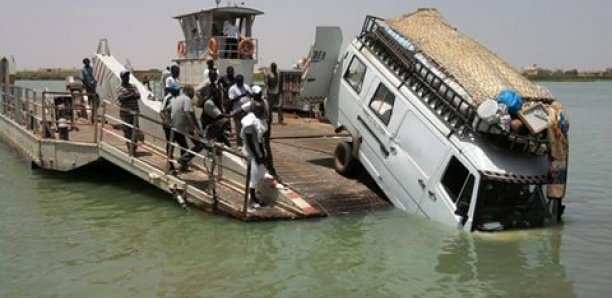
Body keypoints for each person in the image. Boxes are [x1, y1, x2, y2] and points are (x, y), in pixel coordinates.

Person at [241, 101, 270, 208]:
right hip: (250, 151)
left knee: (259, 173)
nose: (261, 110)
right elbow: (249, 142)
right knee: (253, 174)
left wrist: (263, 155)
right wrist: (257, 156)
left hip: (258, 150)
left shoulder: (259, 120)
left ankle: (255, 197)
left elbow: (260, 140)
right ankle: (252, 200)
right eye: (258, 109)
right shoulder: (249, 122)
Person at [196, 68, 231, 148]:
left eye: (215, 75)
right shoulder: (206, 84)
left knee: (221, 136)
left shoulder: (218, 85)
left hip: (217, 109)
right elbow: (197, 91)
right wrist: (203, 100)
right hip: (210, 111)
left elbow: (220, 98)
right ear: (209, 76)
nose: (214, 76)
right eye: (212, 75)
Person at [171, 85, 202, 171]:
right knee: (200, 144)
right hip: (185, 127)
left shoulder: (177, 99)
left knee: (184, 146)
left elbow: (169, 110)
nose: (193, 94)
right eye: (193, 92)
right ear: (188, 91)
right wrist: (195, 129)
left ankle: (183, 166)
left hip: (176, 127)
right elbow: (187, 114)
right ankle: (183, 159)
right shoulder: (187, 99)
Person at [116, 70, 141, 155]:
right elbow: (121, 99)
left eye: (128, 76)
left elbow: (138, 95)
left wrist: (127, 96)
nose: (127, 78)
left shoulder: (133, 86)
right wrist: (131, 95)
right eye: (125, 76)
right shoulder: (119, 88)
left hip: (134, 112)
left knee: (135, 131)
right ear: (122, 78)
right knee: (127, 131)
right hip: (125, 113)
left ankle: (134, 148)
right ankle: (130, 148)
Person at [228, 74, 250, 147]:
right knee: (238, 129)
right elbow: (231, 100)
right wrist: (242, 95)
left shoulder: (246, 86)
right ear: (236, 81)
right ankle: (239, 144)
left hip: (246, 111)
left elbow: (250, 95)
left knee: (246, 127)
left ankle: (246, 144)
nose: (241, 83)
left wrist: (250, 94)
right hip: (237, 111)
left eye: (241, 81)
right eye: (239, 82)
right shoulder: (232, 89)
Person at [160, 82, 181, 159]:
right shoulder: (167, 98)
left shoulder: (179, 98)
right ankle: (170, 164)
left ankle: (184, 163)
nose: (178, 91)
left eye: (178, 90)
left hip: (177, 125)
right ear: (172, 90)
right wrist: (167, 122)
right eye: (176, 90)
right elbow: (162, 112)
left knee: (184, 145)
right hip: (169, 125)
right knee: (170, 144)